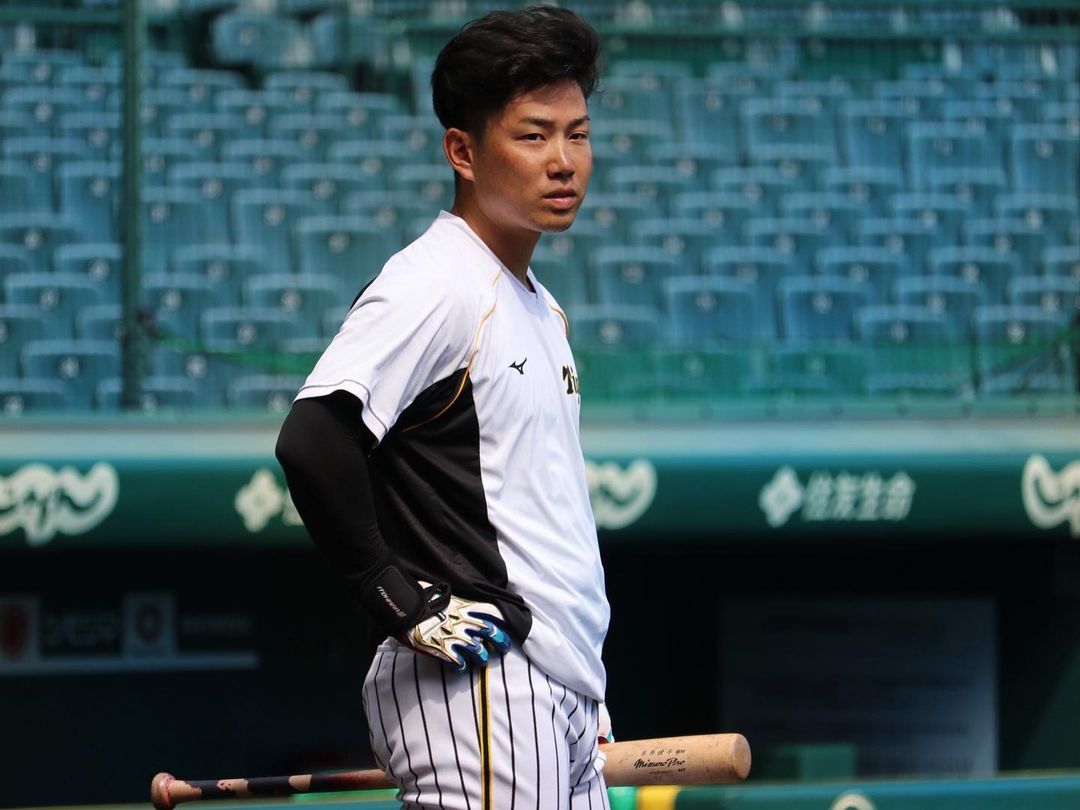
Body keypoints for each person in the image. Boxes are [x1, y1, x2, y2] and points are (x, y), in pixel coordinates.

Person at [275, 6, 612, 808]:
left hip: (557, 682)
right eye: (533, 135)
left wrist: (582, 686)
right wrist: (393, 593)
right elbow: (313, 437)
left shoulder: (540, 306)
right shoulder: (435, 282)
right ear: (462, 151)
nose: (563, 161)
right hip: (480, 673)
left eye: (578, 134)